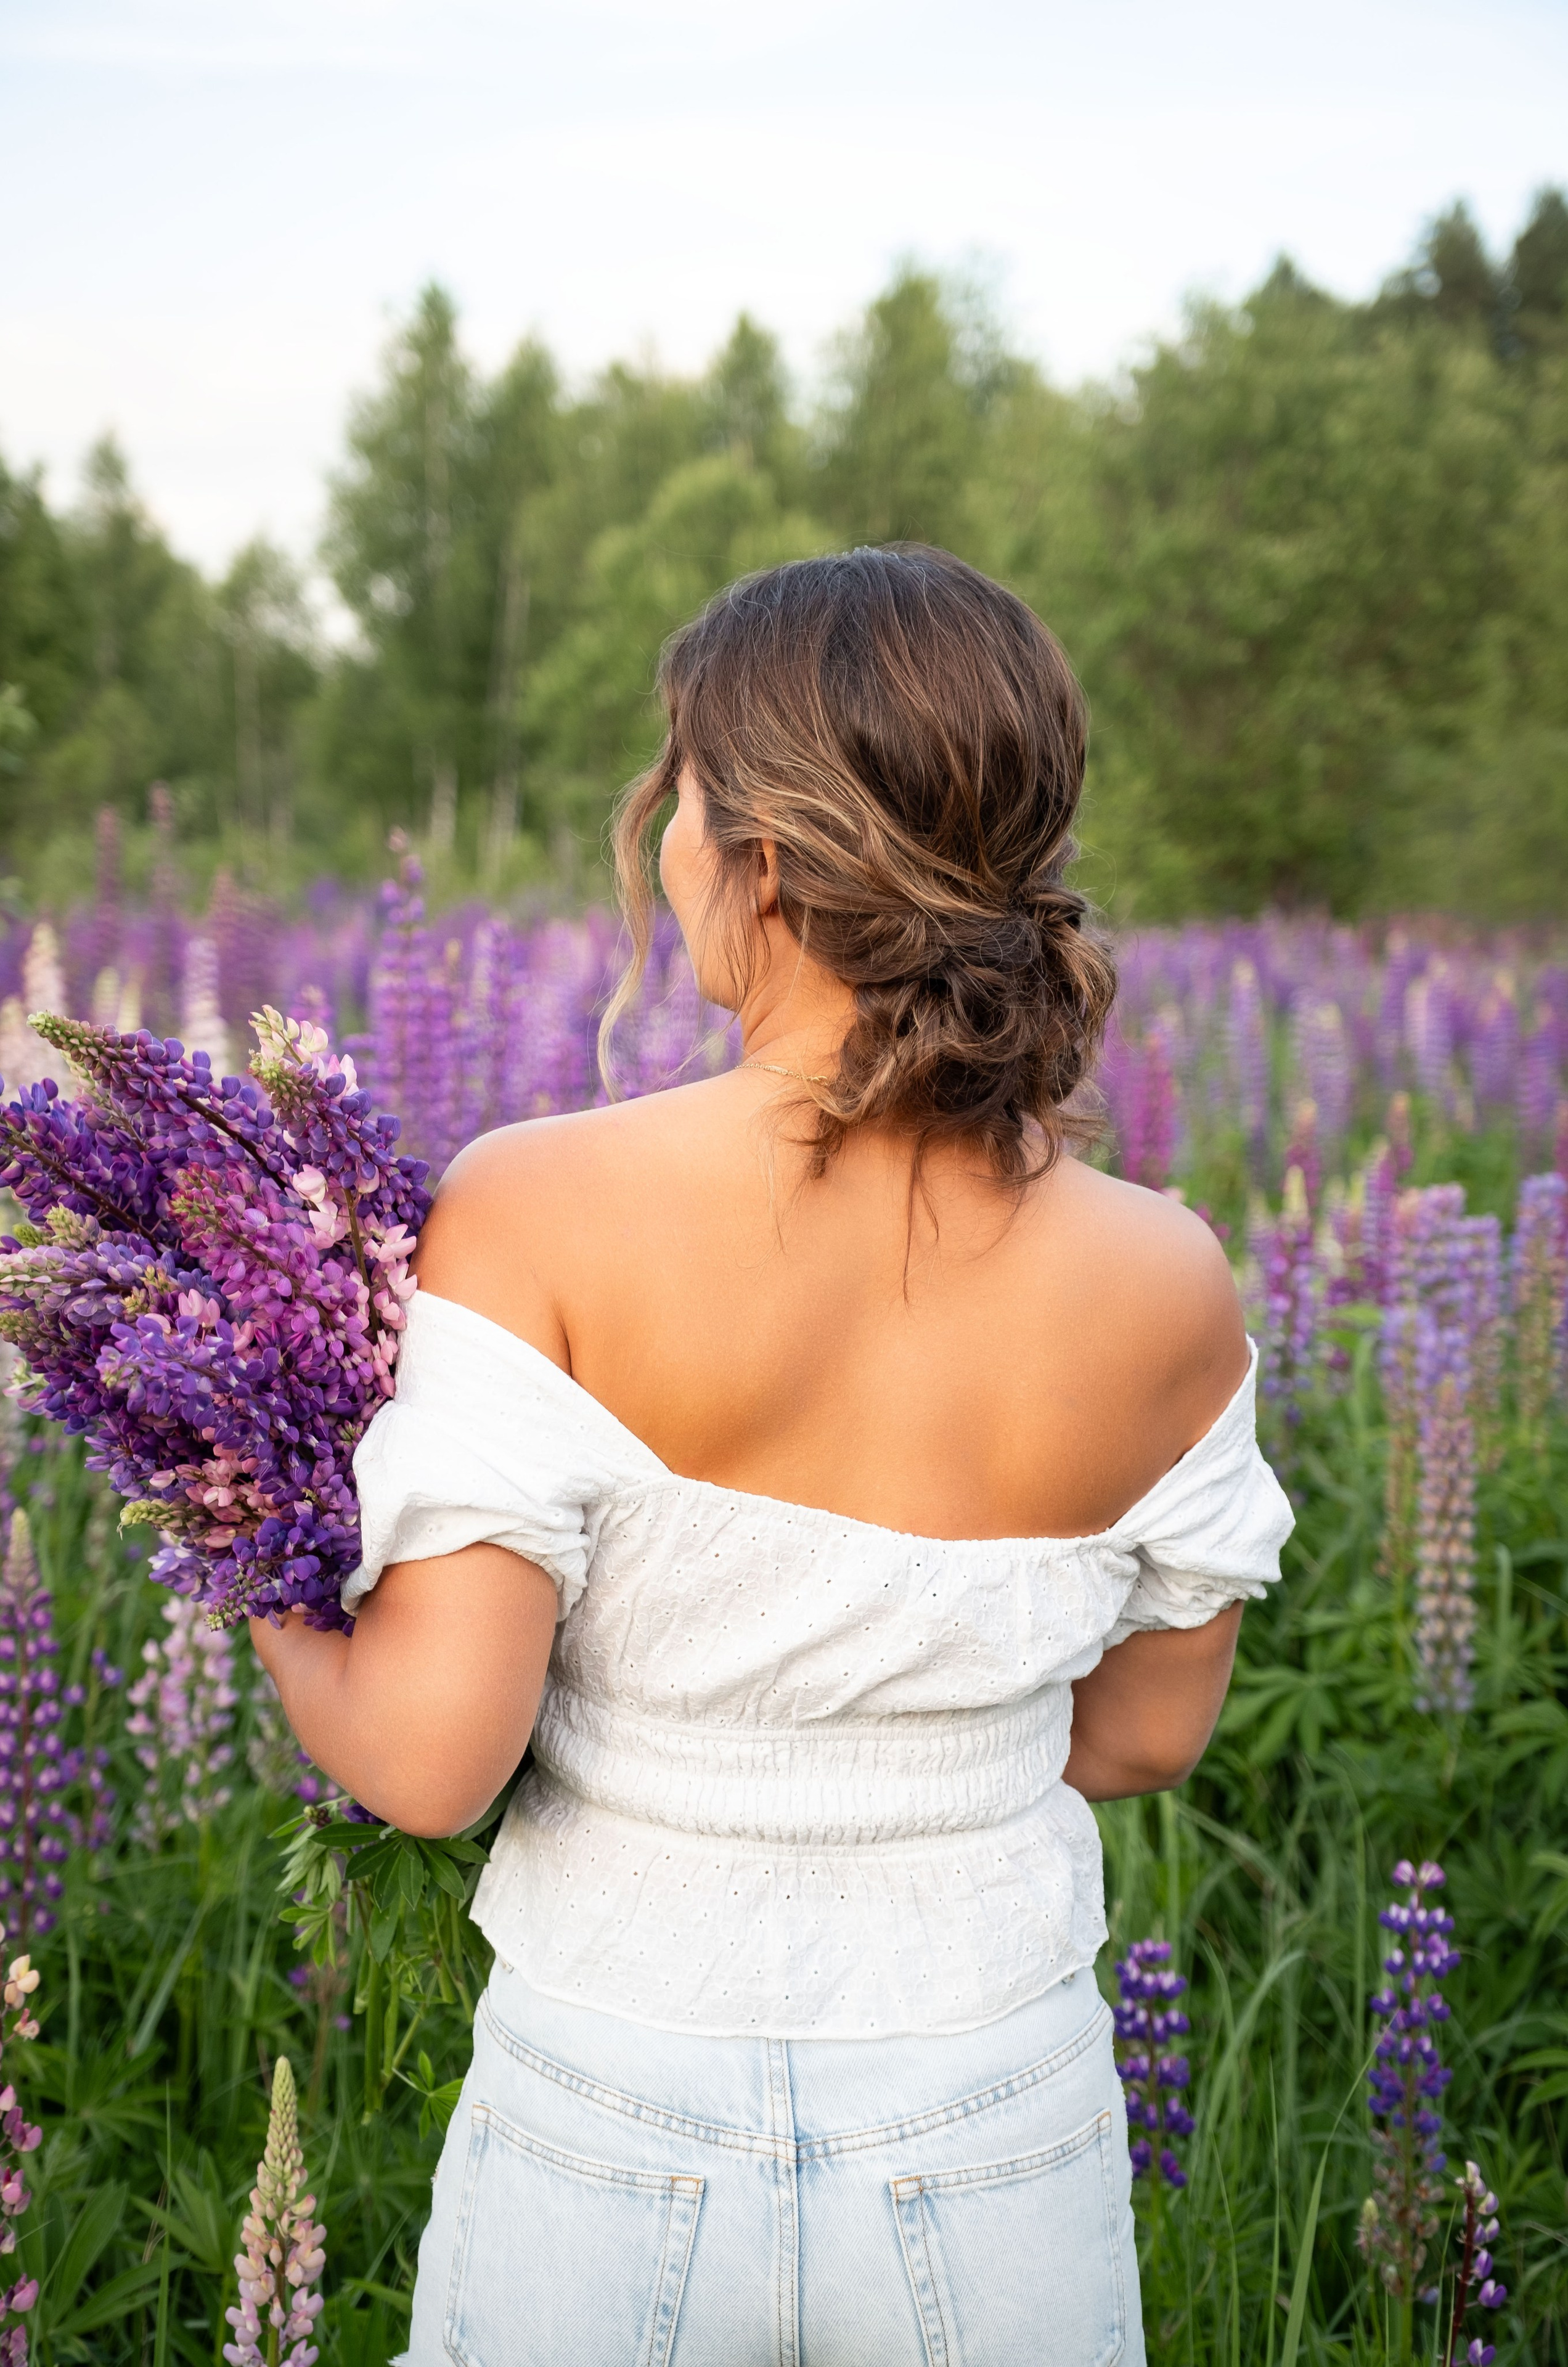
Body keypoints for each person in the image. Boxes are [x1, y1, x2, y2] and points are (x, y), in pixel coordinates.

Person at [253, 545, 1293, 2367]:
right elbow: (1147, 1734)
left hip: (611, 2098)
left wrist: (249, 1539)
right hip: (996, 2111)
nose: (664, 843)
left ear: (772, 861)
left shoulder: (536, 1208)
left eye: (682, 794)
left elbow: (429, 1762)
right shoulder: (1168, 1279)